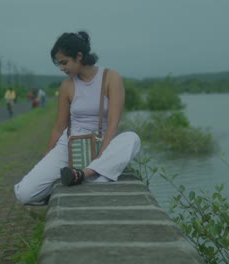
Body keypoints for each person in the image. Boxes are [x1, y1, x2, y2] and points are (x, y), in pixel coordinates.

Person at [14, 31, 141, 205]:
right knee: (24, 194)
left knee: (132, 138)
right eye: (59, 64)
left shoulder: (110, 77)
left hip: (103, 142)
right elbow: (59, 127)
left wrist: (100, 156)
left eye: (64, 63)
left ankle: (85, 174)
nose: (61, 68)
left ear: (79, 56)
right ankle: (91, 176)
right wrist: (46, 157)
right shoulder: (67, 86)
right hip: (72, 145)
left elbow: (113, 124)